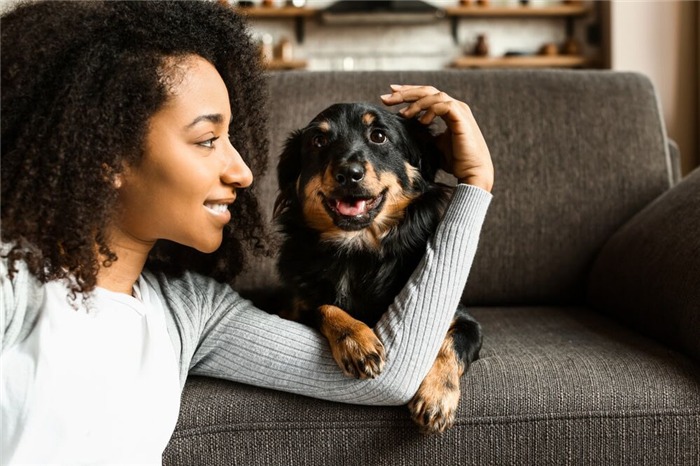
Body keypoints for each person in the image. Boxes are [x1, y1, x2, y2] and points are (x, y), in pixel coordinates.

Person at [0, 0, 494, 464]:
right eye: (208, 139)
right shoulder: (13, 281)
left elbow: (392, 377)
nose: (242, 172)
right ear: (107, 153)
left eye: (231, 139)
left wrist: (475, 186)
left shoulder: (192, 313)